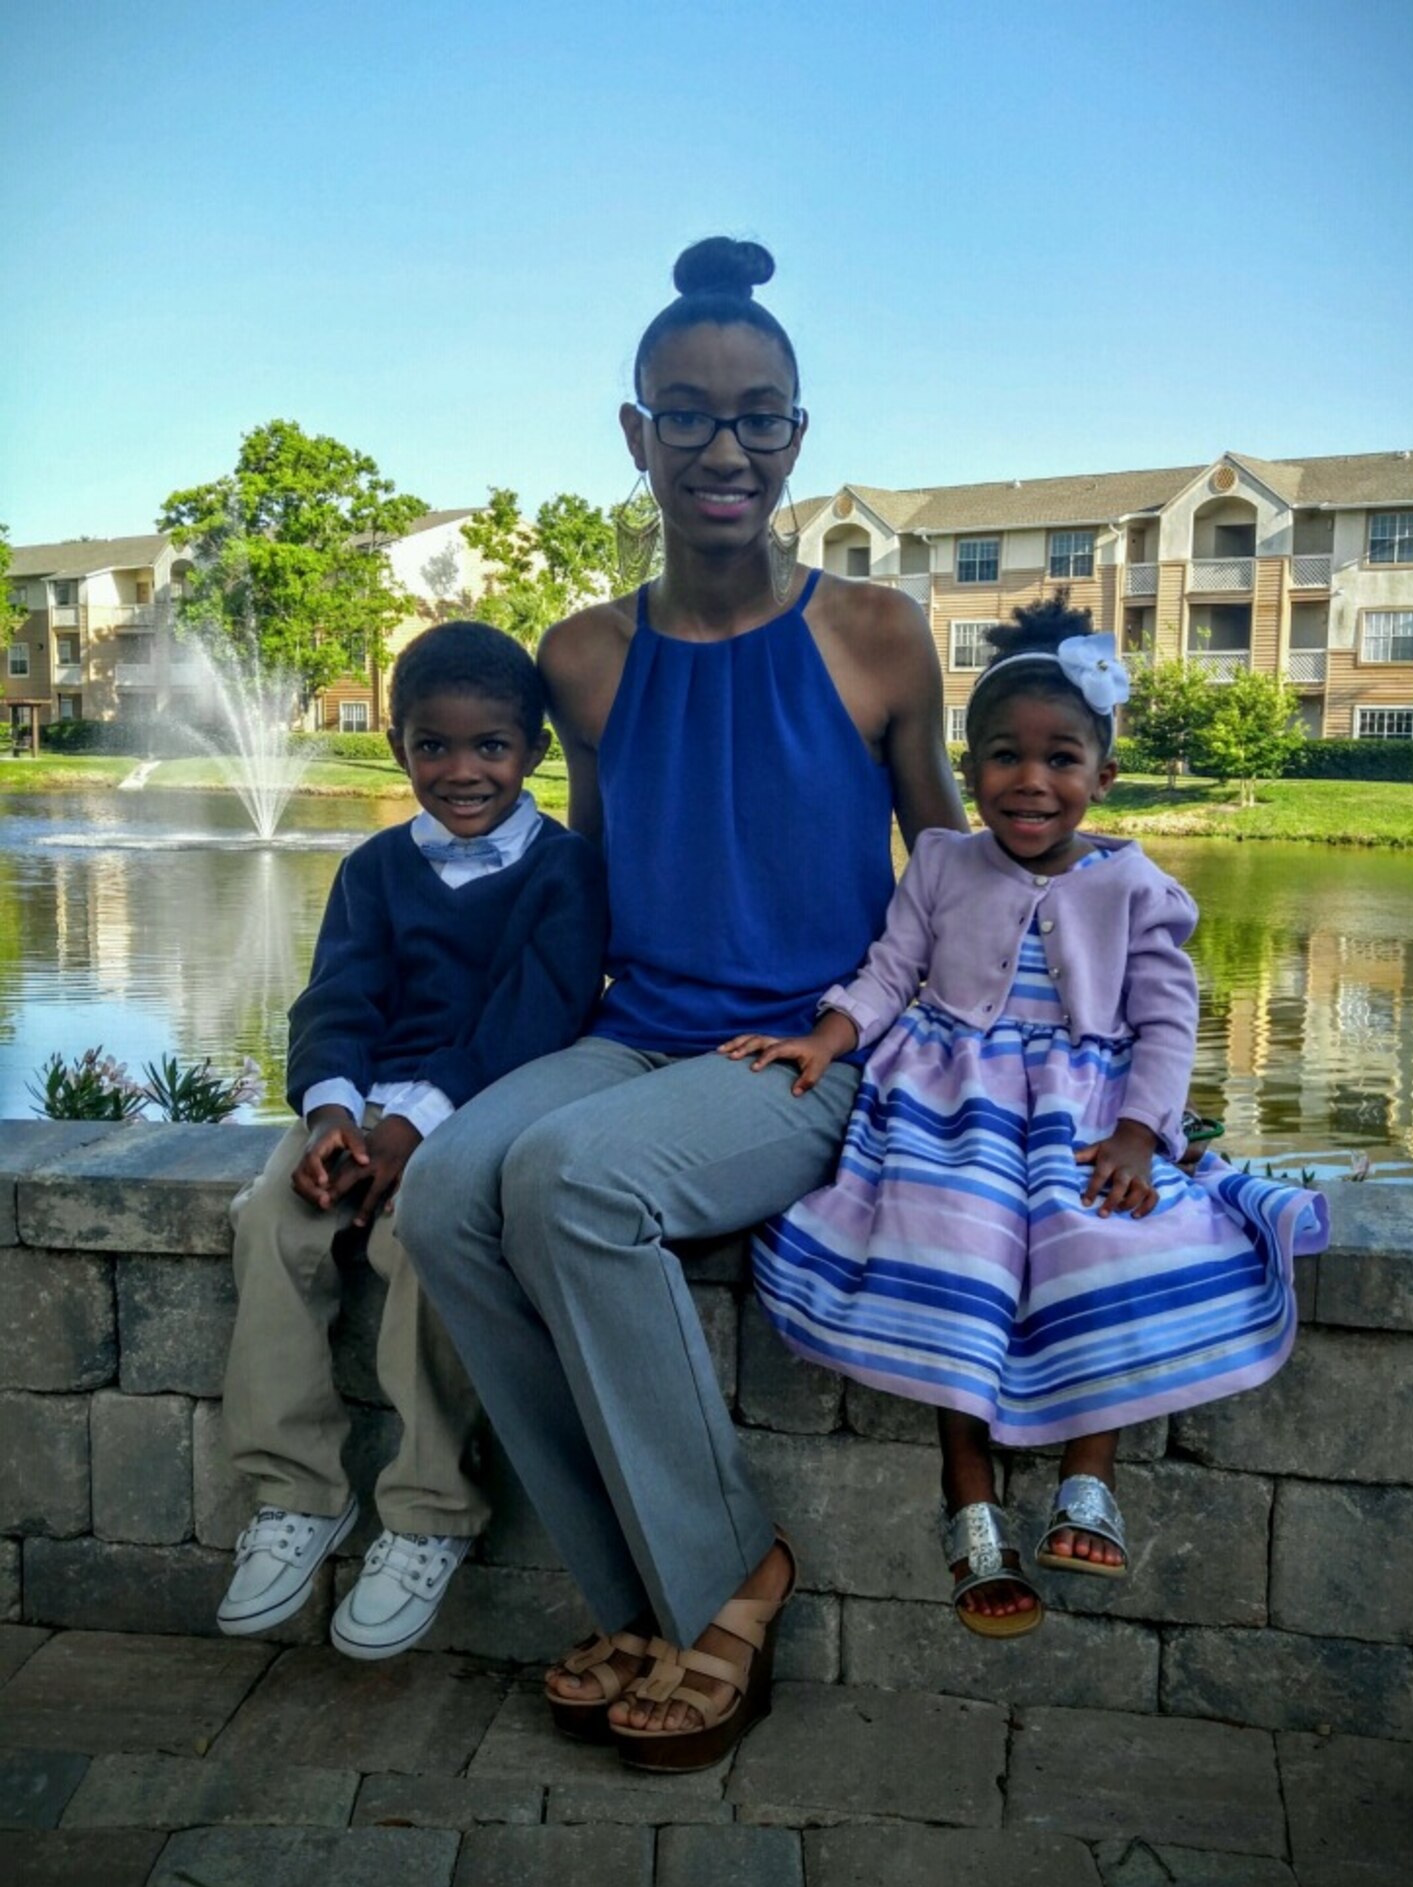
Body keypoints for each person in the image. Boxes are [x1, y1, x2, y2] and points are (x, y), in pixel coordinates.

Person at [395, 237, 968, 1769]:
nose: (726, 447)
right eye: (689, 414)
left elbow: (951, 872)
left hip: (805, 1051)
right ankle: (631, 1589)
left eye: (759, 415)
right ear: (636, 434)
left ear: (798, 432)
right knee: (454, 1187)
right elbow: (582, 883)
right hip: (637, 1031)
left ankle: (730, 1579)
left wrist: (1035, 1066)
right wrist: (417, 1073)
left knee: (576, 1183)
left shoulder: (875, 631)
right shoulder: (583, 657)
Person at [730, 594, 1329, 1638]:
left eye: (1061, 759)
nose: (1030, 779)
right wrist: (830, 1036)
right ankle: (966, 1495)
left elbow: (1165, 1020)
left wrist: (1141, 1129)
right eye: (1003, 756)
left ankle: (1084, 1480)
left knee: (1097, 1236)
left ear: (1101, 776)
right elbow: (888, 973)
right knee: (951, 1251)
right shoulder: (942, 863)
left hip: (1085, 1108)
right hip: (948, 1099)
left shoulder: (1134, 886)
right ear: (969, 771)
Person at [217, 621, 607, 1660]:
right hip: (369, 1108)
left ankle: (430, 1508)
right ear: (399, 748)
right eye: (434, 745)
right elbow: (337, 996)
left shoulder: (564, 872)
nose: (462, 768)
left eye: (490, 746)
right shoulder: (375, 868)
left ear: (531, 750)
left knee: (420, 1243)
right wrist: (335, 1117)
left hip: (482, 1103)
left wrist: (410, 1129)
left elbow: (533, 1017)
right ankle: (296, 1491)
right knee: (274, 1220)